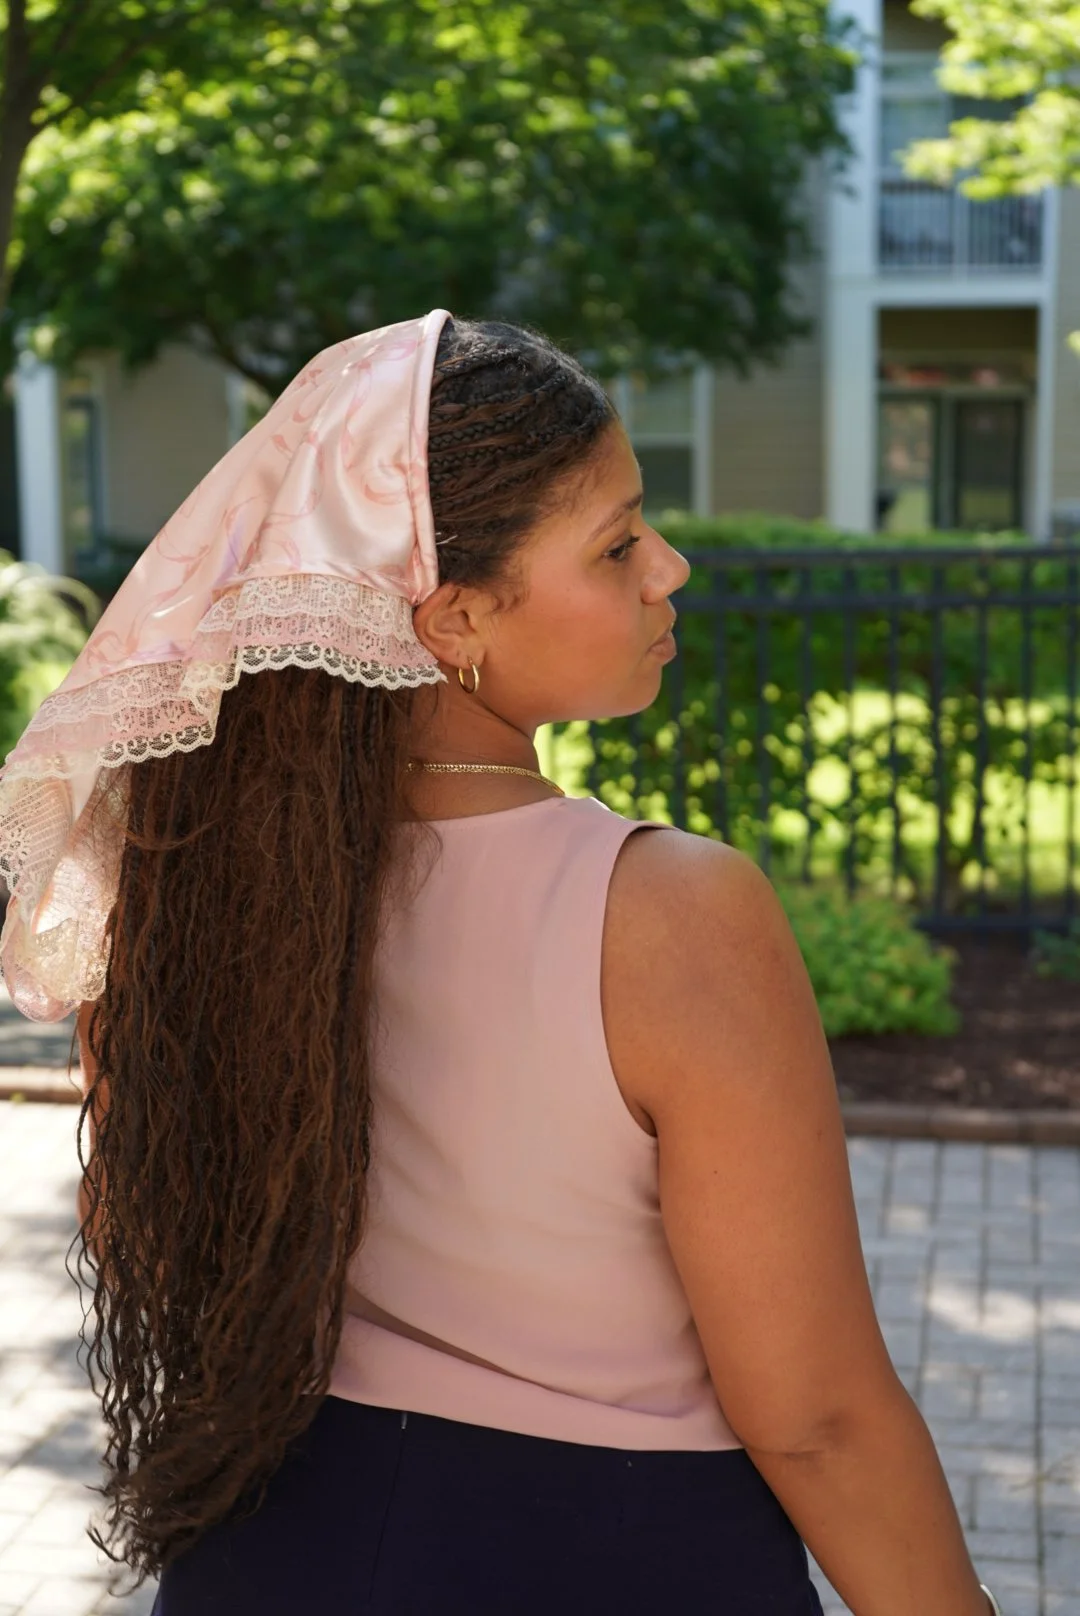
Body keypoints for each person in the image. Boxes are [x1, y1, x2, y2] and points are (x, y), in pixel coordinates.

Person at [0, 311, 1002, 1615]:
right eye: (619, 541)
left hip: (264, 1543)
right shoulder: (666, 911)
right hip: (608, 1555)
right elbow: (813, 1413)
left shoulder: (198, 893)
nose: (671, 568)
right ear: (455, 614)